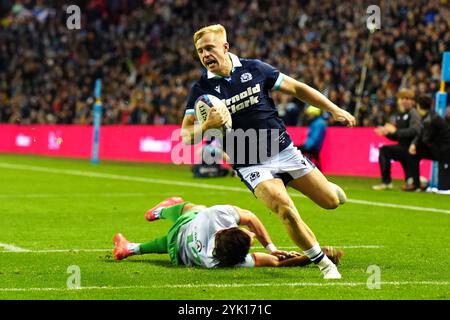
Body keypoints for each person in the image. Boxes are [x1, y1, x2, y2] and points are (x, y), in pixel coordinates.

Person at [180, 24, 355, 279]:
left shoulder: (255, 69)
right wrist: (207, 125)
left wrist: (333, 109)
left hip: (284, 151)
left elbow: (297, 89)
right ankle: (324, 264)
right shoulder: (201, 90)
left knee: (331, 201)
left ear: (225, 47)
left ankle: (331, 189)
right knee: (285, 209)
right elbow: (185, 136)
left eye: (209, 48)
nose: (205, 55)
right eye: (200, 51)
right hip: (251, 164)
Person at [113, 197, 343, 268]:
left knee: (189, 208)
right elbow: (275, 262)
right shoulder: (222, 260)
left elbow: (250, 218)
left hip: (184, 230)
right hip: (179, 255)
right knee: (184, 223)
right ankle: (131, 248)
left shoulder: (214, 216)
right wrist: (314, 257)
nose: (252, 236)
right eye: (250, 238)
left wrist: (269, 246)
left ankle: (159, 213)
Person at [372, 88, 421, 190]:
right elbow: (397, 136)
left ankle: (387, 183)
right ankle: (387, 182)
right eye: (402, 98)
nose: (404, 101)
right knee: (385, 151)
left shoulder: (413, 113)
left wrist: (395, 131)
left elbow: (415, 131)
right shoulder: (399, 115)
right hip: (402, 147)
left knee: (384, 151)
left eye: (407, 98)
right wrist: (387, 133)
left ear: (412, 101)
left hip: (410, 148)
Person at [405, 95, 450, 191]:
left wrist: (414, 145)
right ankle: (416, 184)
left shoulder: (430, 120)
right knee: (414, 153)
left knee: (444, 189)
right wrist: (414, 144)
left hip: (444, 151)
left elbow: (425, 138)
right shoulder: (429, 116)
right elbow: (421, 134)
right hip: (438, 149)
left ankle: (418, 184)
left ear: (418, 106)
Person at [296, 105, 327, 170]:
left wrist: (306, 147)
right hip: (312, 147)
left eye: (310, 114)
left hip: (312, 148)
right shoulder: (318, 122)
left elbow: (315, 138)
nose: (308, 116)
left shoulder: (318, 124)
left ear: (314, 114)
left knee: (294, 149)